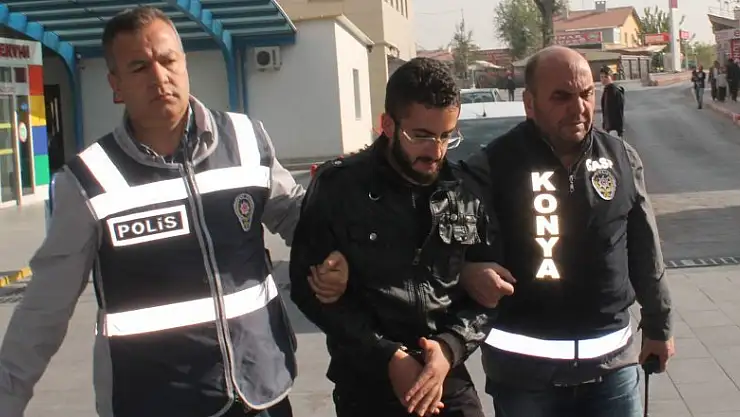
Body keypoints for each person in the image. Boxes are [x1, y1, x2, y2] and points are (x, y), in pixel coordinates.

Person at [0, 6, 341, 417]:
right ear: (116, 85)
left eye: (168, 60)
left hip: (261, 392)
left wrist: (334, 252)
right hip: (154, 401)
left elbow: (299, 219)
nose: (159, 77)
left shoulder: (246, 141)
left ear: (184, 64)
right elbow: (44, 308)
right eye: (139, 67)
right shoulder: (88, 181)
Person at [461, 46, 675, 417]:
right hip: (524, 379)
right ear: (530, 104)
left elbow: (645, 249)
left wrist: (659, 324)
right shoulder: (493, 165)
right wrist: (468, 271)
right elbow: (454, 249)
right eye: (561, 97)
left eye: (586, 94)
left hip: (612, 369)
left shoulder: (621, 158)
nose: (579, 108)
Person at [289, 57, 505, 417]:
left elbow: (489, 295)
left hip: (445, 376)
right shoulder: (339, 188)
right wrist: (387, 355)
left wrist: (450, 347)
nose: (436, 151)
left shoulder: (465, 190)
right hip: (366, 380)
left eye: (446, 136)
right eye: (421, 136)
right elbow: (307, 289)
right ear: (387, 125)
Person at [599, 66, 624, 137]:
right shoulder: (606, 90)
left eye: (606, 77)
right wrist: (604, 125)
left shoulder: (615, 91)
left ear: (611, 77)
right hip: (608, 128)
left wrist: (619, 129)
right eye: (601, 77)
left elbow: (619, 111)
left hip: (614, 129)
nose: (603, 79)